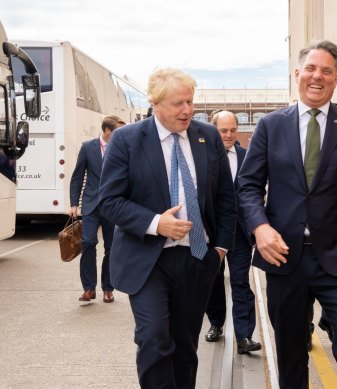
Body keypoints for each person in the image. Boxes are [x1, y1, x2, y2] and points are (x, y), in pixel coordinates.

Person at [238, 40, 337, 389]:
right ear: (297, 74)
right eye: (311, 69)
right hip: (283, 255)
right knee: (291, 350)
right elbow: (248, 186)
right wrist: (260, 227)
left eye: (326, 71)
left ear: (336, 78)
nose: (318, 77)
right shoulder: (270, 126)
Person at [99, 68, 235, 388]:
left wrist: (220, 250)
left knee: (185, 347)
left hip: (197, 259)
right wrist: (156, 223)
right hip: (147, 261)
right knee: (154, 339)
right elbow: (109, 200)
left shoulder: (207, 136)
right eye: (177, 103)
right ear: (155, 103)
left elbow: (226, 198)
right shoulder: (127, 140)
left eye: (190, 101)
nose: (187, 110)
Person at [203, 110, 261, 354]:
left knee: (240, 281)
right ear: (214, 130)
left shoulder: (247, 156)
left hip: (239, 232)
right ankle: (216, 323)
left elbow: (256, 190)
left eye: (232, 130)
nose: (228, 135)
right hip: (211, 232)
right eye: (223, 130)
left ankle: (244, 336)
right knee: (212, 282)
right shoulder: (202, 156)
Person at [70, 115, 126, 303]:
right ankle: (88, 288)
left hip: (113, 205)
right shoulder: (88, 147)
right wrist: (73, 204)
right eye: (117, 131)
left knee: (111, 248)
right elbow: (77, 176)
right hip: (91, 204)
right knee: (87, 242)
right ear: (108, 131)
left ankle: (108, 288)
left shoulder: (121, 147)